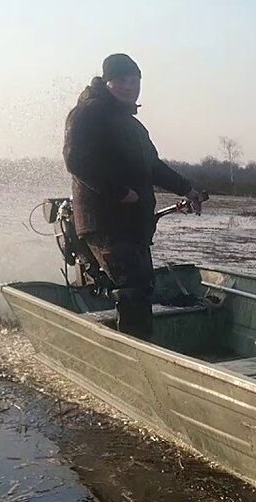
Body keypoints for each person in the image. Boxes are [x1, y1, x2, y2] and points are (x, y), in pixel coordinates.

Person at [63, 53, 202, 340]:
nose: (130, 86)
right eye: (122, 80)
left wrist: (187, 188)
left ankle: (137, 346)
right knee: (134, 286)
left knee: (143, 285)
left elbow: (153, 167)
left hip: (133, 224)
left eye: (135, 80)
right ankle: (135, 358)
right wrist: (118, 191)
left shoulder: (132, 125)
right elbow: (76, 160)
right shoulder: (89, 112)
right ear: (107, 81)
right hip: (105, 221)